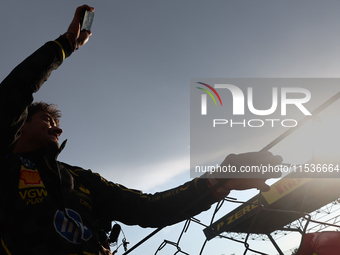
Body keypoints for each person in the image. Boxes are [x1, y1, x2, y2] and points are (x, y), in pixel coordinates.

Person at [0, 5, 282, 255]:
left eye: (57, 123)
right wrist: (65, 45)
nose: (57, 129)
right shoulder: (7, 166)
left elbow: (149, 208)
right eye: (47, 121)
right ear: (21, 124)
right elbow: (13, 95)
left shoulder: (79, 179)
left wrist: (216, 183)